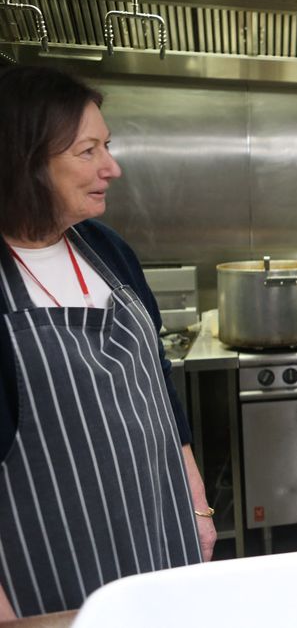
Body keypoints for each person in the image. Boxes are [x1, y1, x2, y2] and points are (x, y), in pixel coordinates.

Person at [0, 66, 214, 620]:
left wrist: (197, 508)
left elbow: (160, 387)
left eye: (108, 146)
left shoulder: (106, 248)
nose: (111, 168)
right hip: (55, 564)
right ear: (25, 163)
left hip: (160, 535)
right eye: (87, 150)